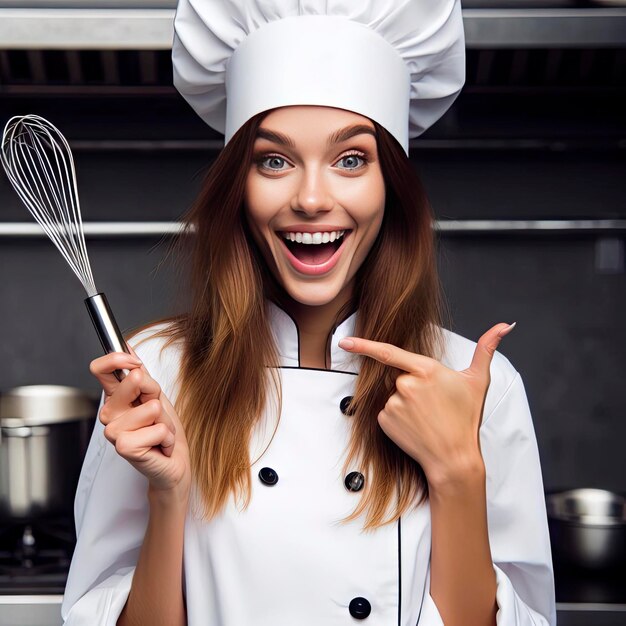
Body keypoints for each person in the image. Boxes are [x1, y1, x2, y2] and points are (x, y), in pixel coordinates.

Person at [61, 1, 556, 625]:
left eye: (352, 159)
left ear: (390, 187)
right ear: (238, 187)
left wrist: (456, 471)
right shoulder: (160, 373)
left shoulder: (473, 385)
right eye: (275, 160)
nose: (312, 198)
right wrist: (169, 492)